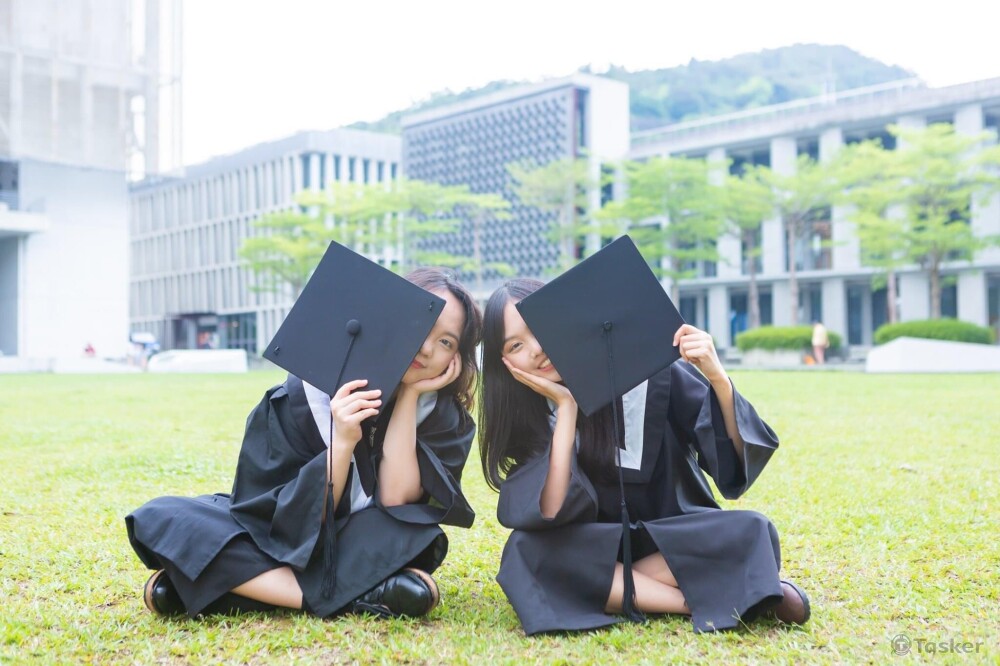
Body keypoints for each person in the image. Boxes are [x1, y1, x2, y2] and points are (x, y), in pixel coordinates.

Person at [127, 267, 482, 619]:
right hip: (278, 535)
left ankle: (230, 588)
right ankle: (358, 595)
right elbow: (267, 518)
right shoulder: (303, 393)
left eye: (446, 342)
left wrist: (409, 396)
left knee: (413, 534)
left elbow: (395, 501)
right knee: (167, 517)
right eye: (421, 326)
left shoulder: (443, 418)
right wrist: (342, 442)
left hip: (364, 540)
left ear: (456, 358)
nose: (426, 347)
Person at [479, 278, 810, 635]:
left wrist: (718, 378)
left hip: (676, 540)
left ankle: (609, 592)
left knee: (752, 531)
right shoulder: (525, 416)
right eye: (516, 345)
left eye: (541, 329)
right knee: (524, 552)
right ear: (503, 361)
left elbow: (731, 463)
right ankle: (700, 599)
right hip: (593, 548)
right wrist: (566, 407)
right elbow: (551, 508)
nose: (536, 349)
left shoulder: (649, 369)